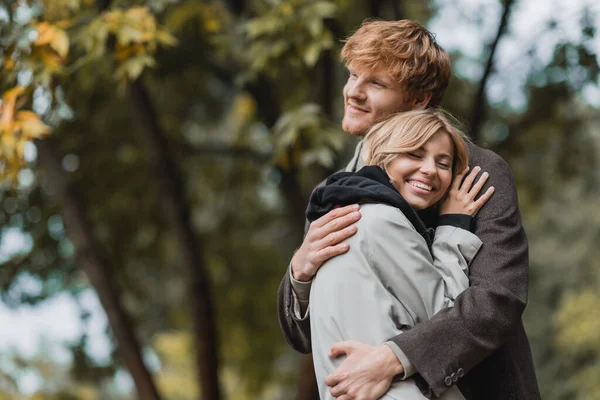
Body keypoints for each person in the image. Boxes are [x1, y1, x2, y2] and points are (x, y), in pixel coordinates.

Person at [277, 19, 541, 400]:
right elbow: (303, 337)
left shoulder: (477, 172)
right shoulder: (328, 192)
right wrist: (300, 273)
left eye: (376, 84)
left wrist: (395, 357)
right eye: (353, 75)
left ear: (418, 99)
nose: (353, 92)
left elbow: (497, 300)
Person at [308, 109, 493, 400]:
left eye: (443, 163)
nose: (431, 169)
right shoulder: (383, 221)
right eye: (415, 155)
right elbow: (443, 319)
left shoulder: (348, 212)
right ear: (384, 156)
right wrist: (453, 228)